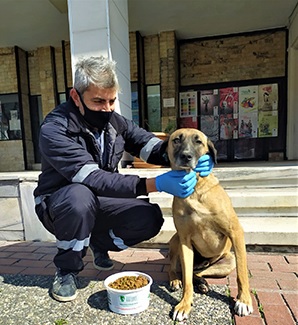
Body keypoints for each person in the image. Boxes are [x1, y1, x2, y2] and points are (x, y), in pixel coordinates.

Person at [33, 56, 213, 302]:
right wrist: (153, 184)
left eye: (112, 101)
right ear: (76, 97)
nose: (107, 108)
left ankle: (97, 241)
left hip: (98, 199)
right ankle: (67, 269)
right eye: (98, 101)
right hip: (59, 203)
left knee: (149, 217)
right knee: (79, 197)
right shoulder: (55, 129)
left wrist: (189, 154)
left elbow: (149, 146)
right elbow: (92, 178)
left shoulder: (114, 122)